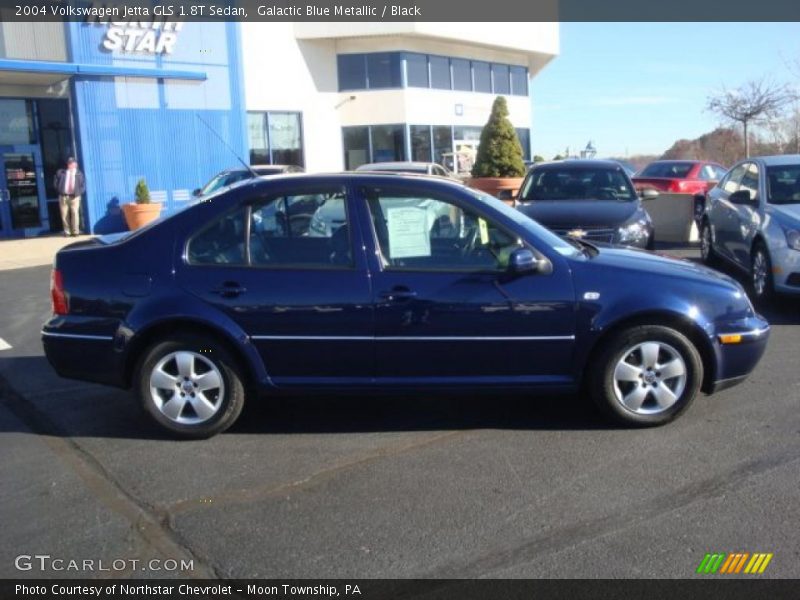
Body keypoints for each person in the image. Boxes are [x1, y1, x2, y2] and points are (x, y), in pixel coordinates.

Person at [54, 157, 86, 237]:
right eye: (69, 163)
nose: (71, 165)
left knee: (75, 213)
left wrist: (79, 193)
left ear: (76, 164)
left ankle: (75, 232)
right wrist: (59, 191)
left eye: (72, 163)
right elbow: (55, 183)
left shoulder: (79, 174)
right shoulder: (61, 172)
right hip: (63, 197)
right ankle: (67, 232)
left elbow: (83, 185)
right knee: (64, 215)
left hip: (75, 197)